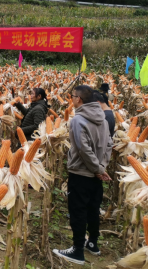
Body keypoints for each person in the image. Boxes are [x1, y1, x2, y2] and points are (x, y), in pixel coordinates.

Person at [53, 85, 113, 265]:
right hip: (96, 174)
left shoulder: (78, 120)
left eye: (72, 96)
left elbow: (82, 149)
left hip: (81, 173)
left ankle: (77, 250)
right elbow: (109, 144)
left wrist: (97, 169)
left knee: (78, 211)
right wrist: (101, 167)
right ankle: (92, 243)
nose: (71, 99)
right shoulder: (103, 118)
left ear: (78, 99)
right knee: (93, 209)